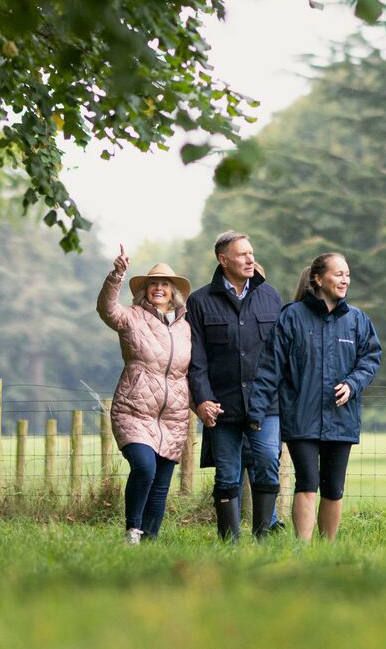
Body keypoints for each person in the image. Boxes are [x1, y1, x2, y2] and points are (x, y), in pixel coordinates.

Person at [261, 249, 383, 545]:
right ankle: (302, 547)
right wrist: (257, 409)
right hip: (301, 416)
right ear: (318, 278)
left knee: (334, 486)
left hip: (341, 417)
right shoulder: (291, 316)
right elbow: (271, 366)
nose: (345, 280)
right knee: (308, 481)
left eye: (348, 275)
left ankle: (326, 548)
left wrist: (353, 384)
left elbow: (370, 358)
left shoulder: (357, 320)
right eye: (339, 274)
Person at [184, 231, 286, 539]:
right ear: (223, 259)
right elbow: (197, 360)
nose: (250, 258)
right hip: (222, 406)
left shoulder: (271, 297)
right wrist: (202, 400)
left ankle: (263, 535)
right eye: (242, 254)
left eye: (251, 253)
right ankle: (229, 541)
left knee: (268, 462)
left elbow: (279, 356)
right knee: (227, 474)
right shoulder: (200, 302)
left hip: (266, 405)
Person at [96, 248, 195, 543]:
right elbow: (106, 309)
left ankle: (150, 541)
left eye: (165, 284)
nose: (159, 289)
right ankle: (133, 530)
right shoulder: (131, 318)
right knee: (144, 466)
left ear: (174, 291)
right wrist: (116, 275)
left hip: (174, 415)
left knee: (161, 483)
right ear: (145, 290)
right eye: (153, 284)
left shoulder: (186, 327)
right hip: (134, 409)